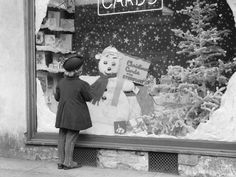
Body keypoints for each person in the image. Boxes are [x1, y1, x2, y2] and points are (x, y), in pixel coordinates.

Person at [54, 55, 93, 170]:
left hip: (62, 114)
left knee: (62, 137)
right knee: (71, 138)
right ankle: (68, 163)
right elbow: (88, 97)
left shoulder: (61, 82)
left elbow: (57, 98)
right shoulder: (82, 84)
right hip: (75, 115)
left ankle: (61, 162)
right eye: (81, 67)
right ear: (78, 70)